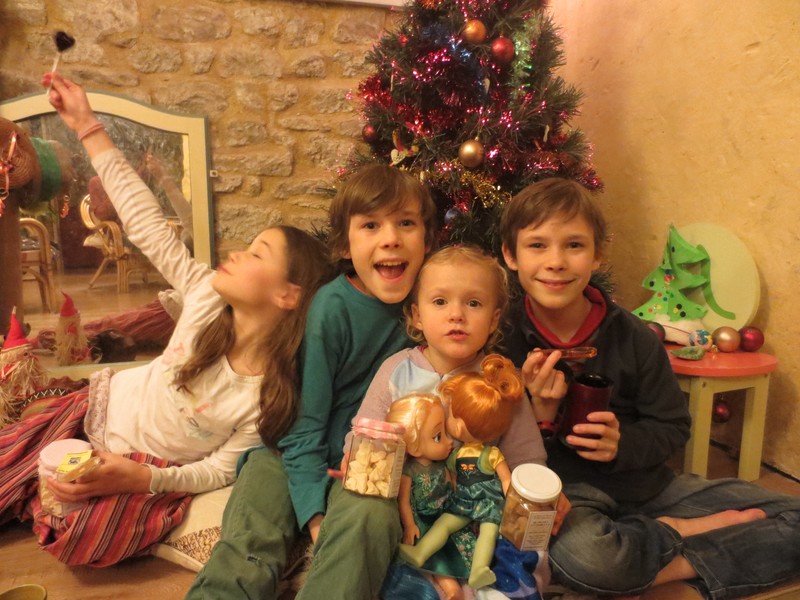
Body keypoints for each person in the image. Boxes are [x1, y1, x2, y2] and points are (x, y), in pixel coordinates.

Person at [0, 73, 332, 567]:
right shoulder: (203, 295)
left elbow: (216, 471)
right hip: (92, 416)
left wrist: (143, 478)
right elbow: (146, 223)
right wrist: (87, 125)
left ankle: (43, 494)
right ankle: (33, 483)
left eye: (257, 253)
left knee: (85, 539)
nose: (236, 254)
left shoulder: (268, 397)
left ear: (288, 295)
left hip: (138, 469)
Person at [499, 177, 800, 598]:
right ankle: (676, 539)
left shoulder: (634, 336)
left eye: (574, 245)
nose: (556, 261)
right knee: (590, 557)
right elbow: (493, 446)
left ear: (597, 255)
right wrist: (537, 415)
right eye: (537, 245)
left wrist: (622, 444)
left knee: (793, 514)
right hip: (569, 495)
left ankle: (661, 554)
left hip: (648, 485)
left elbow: (673, 425)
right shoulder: (501, 339)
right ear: (510, 255)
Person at [187, 162, 437, 599]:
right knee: (250, 533)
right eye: (371, 225)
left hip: (367, 468)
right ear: (344, 245)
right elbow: (304, 426)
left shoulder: (434, 306)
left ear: (427, 240)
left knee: (369, 518)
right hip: (294, 452)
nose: (390, 238)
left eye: (406, 223)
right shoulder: (331, 308)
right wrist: (315, 517)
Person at [346, 244, 555, 598]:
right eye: (440, 302)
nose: (456, 314)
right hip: (411, 510)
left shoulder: (501, 381)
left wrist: (526, 506)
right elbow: (364, 434)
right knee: (384, 557)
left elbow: (527, 461)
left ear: (493, 319)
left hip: (479, 514)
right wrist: (358, 459)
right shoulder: (397, 371)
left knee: (518, 560)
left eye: (473, 303)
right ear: (417, 315)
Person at [398, 355, 523, 589]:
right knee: (445, 525)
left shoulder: (491, 454)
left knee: (488, 531)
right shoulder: (456, 454)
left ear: (462, 424)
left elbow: (506, 480)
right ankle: (420, 553)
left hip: (488, 503)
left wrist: (512, 506)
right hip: (463, 502)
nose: (450, 419)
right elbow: (453, 478)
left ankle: (478, 570)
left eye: (453, 414)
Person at [385, 393, 463, 600]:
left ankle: (457, 585)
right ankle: (452, 589)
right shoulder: (409, 471)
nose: (449, 442)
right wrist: (410, 525)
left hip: (445, 513)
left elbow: (452, 485)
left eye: (445, 432)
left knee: (451, 546)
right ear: (414, 447)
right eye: (438, 436)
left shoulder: (443, 464)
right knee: (434, 552)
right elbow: (404, 502)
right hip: (424, 518)